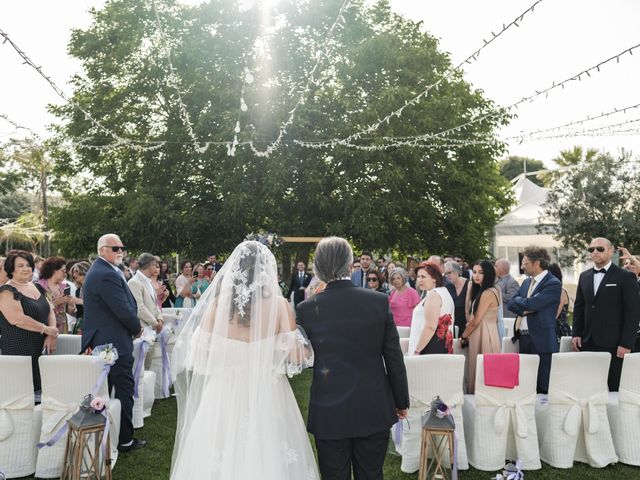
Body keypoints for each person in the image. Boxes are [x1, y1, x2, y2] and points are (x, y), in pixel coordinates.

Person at [170, 241, 317, 479]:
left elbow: (199, 354)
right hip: (267, 392)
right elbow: (297, 357)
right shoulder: (279, 306)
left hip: (224, 391)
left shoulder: (217, 305)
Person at [298, 237, 409, 480]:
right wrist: (401, 401)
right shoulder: (378, 302)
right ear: (351, 266)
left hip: (329, 411)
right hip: (372, 406)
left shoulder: (307, 309)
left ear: (319, 268)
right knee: (371, 474)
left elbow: (302, 356)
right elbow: (393, 357)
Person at [81, 233, 146, 452]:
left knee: (108, 390)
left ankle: (110, 436)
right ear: (102, 250)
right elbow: (122, 310)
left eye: (122, 248)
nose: (121, 252)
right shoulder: (104, 274)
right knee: (122, 388)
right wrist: (137, 328)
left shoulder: (104, 271)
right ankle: (125, 439)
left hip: (107, 341)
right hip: (112, 344)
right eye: (115, 248)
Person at [571, 237, 640, 392]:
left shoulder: (625, 277)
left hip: (615, 344)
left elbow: (633, 313)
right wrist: (576, 333)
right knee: (589, 387)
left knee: (614, 388)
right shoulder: (584, 276)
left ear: (611, 251)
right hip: (587, 342)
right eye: (591, 249)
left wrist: (626, 343)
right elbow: (580, 307)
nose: (595, 252)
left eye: (600, 249)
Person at [0, 250, 57, 393]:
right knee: (23, 393)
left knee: (44, 391)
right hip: (19, 349)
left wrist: (52, 332)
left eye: (28, 265)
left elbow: (49, 309)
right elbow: (18, 319)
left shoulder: (36, 286)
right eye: (20, 265)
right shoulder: (6, 290)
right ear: (11, 269)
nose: (26, 268)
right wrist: (46, 329)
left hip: (42, 347)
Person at [508, 247, 560, 394]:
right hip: (523, 338)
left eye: (525, 262)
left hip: (542, 340)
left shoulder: (553, 283)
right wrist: (525, 306)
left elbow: (533, 304)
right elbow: (512, 304)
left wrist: (526, 304)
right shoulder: (526, 283)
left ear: (536, 263)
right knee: (525, 385)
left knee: (543, 386)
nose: (522, 266)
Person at [462, 260, 502, 394]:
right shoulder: (489, 290)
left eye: (481, 273)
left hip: (484, 333)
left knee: (483, 372)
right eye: (474, 272)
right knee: (480, 370)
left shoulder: (488, 293)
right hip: (485, 331)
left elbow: (476, 320)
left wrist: (464, 335)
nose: (476, 276)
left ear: (488, 274)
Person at [408, 261, 454, 355]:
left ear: (434, 278)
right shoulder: (443, 292)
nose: (419, 280)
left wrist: (417, 351)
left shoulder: (434, 295)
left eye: (423, 277)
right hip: (440, 346)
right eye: (418, 277)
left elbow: (430, 326)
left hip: (429, 347)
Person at [128, 253, 165, 334]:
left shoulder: (149, 281)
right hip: (143, 329)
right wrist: (155, 323)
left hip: (153, 328)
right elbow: (139, 308)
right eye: (155, 265)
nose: (156, 268)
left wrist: (160, 319)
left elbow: (155, 304)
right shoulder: (134, 282)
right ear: (150, 266)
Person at [37, 256, 75, 334]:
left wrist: (71, 305)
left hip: (63, 329)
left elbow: (69, 311)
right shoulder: (38, 287)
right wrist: (55, 303)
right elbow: (37, 310)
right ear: (54, 270)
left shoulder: (65, 287)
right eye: (63, 271)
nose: (65, 274)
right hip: (47, 329)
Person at [444, 261, 471, 337]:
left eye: (449, 273)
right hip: (451, 325)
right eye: (446, 274)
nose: (447, 276)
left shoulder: (469, 284)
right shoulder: (447, 287)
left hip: (466, 324)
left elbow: (469, 309)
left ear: (457, 271)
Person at [547, 263, 572, 342]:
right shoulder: (548, 292)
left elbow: (554, 314)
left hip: (560, 332)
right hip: (550, 330)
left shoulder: (561, 292)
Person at [68, 261, 90, 334]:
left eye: (77, 271)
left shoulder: (92, 288)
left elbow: (96, 306)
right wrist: (71, 307)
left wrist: (79, 301)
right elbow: (78, 314)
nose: (74, 275)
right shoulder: (78, 290)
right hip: (81, 326)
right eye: (73, 273)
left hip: (92, 325)